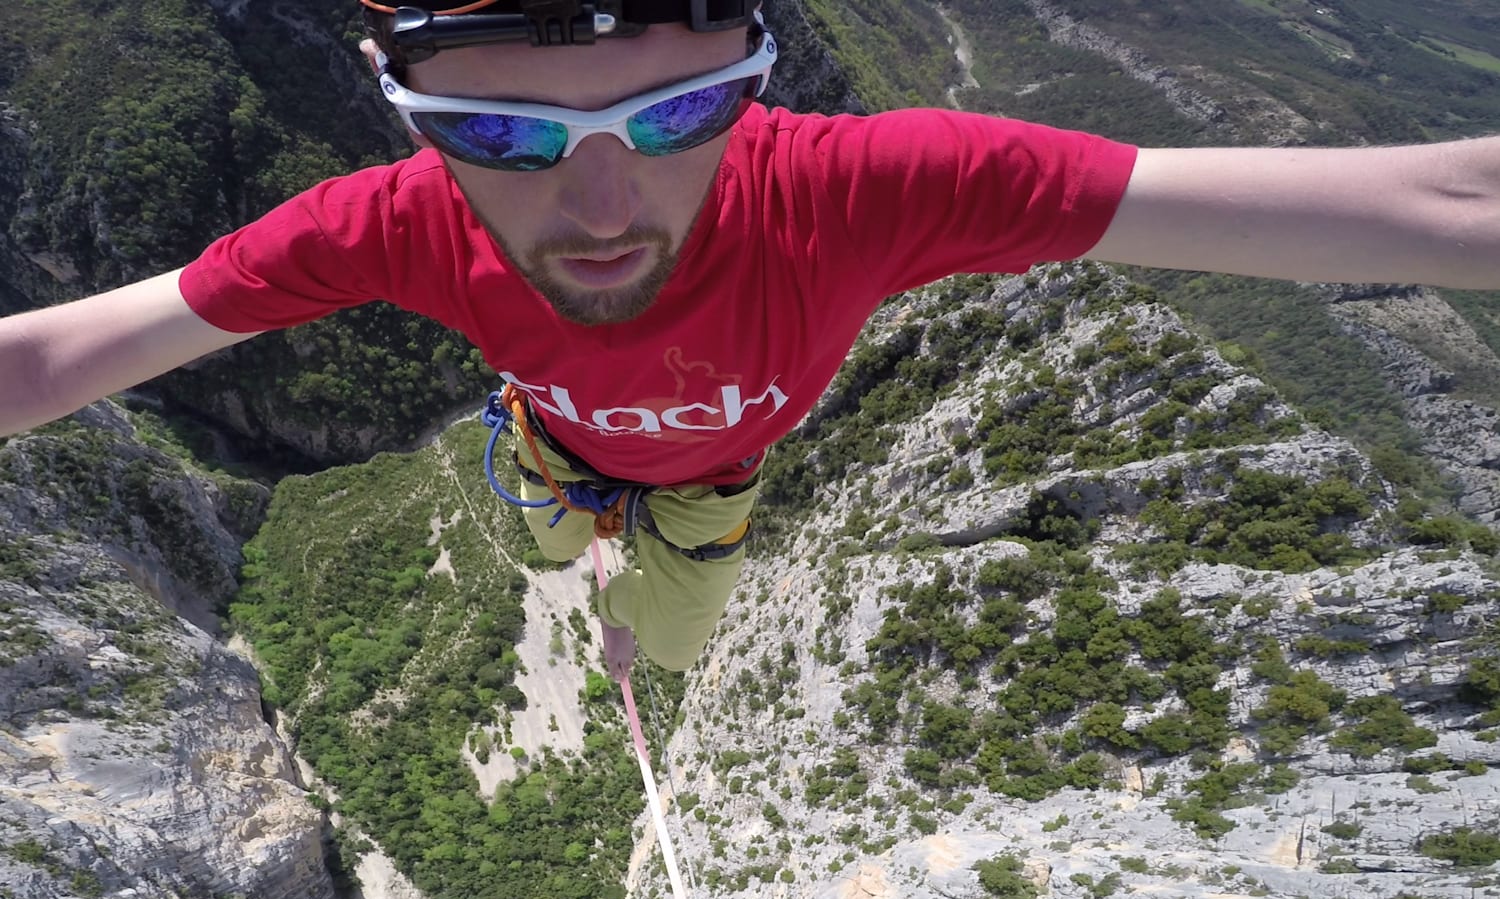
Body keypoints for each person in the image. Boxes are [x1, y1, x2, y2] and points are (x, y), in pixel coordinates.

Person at [1, 0, 1497, 678]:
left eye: (682, 114)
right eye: (503, 132)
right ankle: (572, 552)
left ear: (757, 75)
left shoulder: (863, 190)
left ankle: (608, 608)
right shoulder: (381, 223)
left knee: (662, 638)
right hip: (562, 451)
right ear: (406, 114)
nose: (605, 208)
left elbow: (1440, 200)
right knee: (556, 538)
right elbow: (57, 356)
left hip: (695, 484)